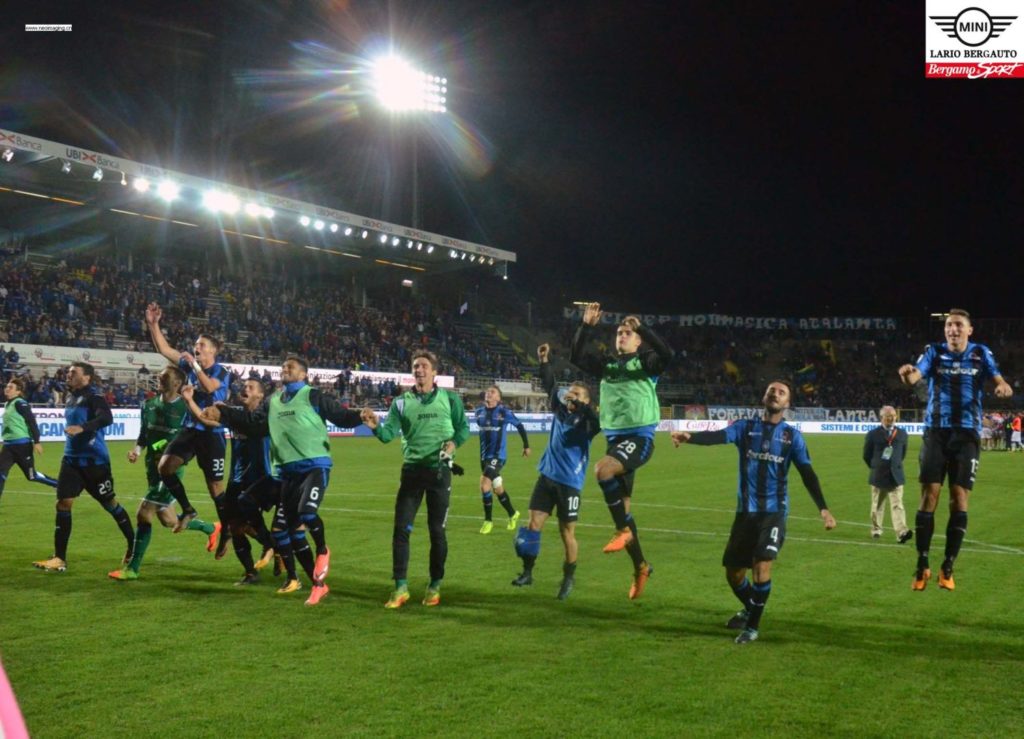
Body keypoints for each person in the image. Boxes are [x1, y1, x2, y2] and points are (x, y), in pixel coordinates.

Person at [672, 380, 836, 644]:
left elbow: (807, 473)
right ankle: (751, 607)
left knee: (761, 565)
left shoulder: (792, 437)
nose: (776, 394)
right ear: (764, 397)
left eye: (782, 393)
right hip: (745, 513)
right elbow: (718, 437)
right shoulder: (745, 427)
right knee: (734, 573)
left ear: (787, 404)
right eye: (772, 390)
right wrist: (690, 437)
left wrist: (824, 509)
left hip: (774, 512)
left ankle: (752, 627)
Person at [205, 356, 365, 606]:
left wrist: (361, 415)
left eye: (291, 367)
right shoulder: (273, 402)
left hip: (315, 466)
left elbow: (341, 417)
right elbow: (255, 426)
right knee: (291, 532)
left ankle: (323, 550)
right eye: (283, 367)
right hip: (287, 473)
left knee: (307, 514)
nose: (285, 369)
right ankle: (317, 584)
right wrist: (224, 412)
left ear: (303, 375)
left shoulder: (313, 396)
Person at [898, 308, 1012, 591]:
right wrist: (907, 375)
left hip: (967, 434)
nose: (953, 330)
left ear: (969, 330)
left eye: (959, 325)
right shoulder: (934, 351)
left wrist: (1004, 388)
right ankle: (922, 563)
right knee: (929, 496)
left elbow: (1000, 381)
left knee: (959, 498)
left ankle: (948, 566)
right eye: (949, 325)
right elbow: (915, 378)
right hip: (936, 431)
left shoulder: (981, 353)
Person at [570, 303, 673, 598]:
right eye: (619, 332)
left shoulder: (646, 364)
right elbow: (577, 356)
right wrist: (586, 325)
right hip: (616, 441)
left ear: (638, 340)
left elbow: (667, 355)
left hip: (640, 438)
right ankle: (641, 566)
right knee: (624, 513)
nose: (622, 335)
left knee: (602, 470)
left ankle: (621, 532)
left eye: (628, 333)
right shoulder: (609, 366)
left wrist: (643, 328)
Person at [362, 350, 470, 609]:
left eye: (423, 366)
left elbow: (463, 428)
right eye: (415, 366)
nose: (419, 370)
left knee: (437, 532)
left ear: (434, 372)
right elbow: (389, 435)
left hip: (439, 471)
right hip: (411, 472)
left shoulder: (450, 399)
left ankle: (435, 584)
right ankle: (400, 587)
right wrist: (376, 425)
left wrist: (454, 443)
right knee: (401, 529)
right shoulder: (400, 403)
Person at [108, 366, 221, 580]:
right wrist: (137, 451)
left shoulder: (186, 408)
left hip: (171, 469)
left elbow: (191, 437)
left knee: (144, 512)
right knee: (168, 519)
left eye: (165, 375)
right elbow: (144, 434)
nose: (160, 377)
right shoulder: (148, 404)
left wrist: (167, 449)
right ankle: (211, 528)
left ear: (177, 383)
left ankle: (133, 568)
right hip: (152, 466)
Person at [511, 344, 600, 599]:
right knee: (533, 525)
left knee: (566, 533)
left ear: (586, 400)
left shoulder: (588, 424)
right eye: (570, 392)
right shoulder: (559, 411)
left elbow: (597, 422)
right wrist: (544, 360)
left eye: (577, 394)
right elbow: (550, 384)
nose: (570, 396)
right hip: (546, 477)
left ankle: (568, 579)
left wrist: (582, 408)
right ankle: (527, 573)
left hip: (570, 483)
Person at [32, 362, 136, 573]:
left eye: (73, 373)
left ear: (87, 377)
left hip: (94, 463)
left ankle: (132, 544)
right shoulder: (70, 397)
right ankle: (59, 558)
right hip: (71, 461)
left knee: (110, 505)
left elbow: (107, 418)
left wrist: (83, 427)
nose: (68, 375)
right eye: (68, 372)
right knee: (63, 504)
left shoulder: (94, 398)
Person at [145, 301, 230, 531]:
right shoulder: (190, 364)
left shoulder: (220, 371)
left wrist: (195, 367)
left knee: (215, 488)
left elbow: (210, 388)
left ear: (213, 350)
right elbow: (165, 350)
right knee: (165, 467)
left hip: (212, 432)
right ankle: (188, 509)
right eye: (195, 345)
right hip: (191, 428)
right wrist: (153, 325)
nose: (197, 348)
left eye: (201, 345)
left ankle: (227, 529)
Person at [185, 378, 277, 585]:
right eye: (244, 386)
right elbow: (206, 419)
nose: (245, 388)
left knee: (247, 525)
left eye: (251, 387)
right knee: (235, 527)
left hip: (259, 478)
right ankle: (251, 571)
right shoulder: (235, 415)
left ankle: (275, 547)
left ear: (261, 395)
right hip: (236, 478)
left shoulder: (264, 417)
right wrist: (189, 400)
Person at [475, 385, 530, 534]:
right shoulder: (478, 413)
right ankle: (513, 514)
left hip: (498, 456)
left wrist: (526, 445)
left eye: (492, 392)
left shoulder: (504, 412)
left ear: (499, 398)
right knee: (498, 488)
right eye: (488, 391)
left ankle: (488, 521)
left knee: (484, 484)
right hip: (484, 458)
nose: (489, 393)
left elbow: (520, 426)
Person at [0, 377, 59, 504]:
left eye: (11, 387)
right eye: (7, 386)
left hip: (22, 446)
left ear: (18, 392)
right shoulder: (7, 404)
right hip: (8, 446)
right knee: (0, 474)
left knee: (32, 476)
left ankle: (58, 484)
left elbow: (31, 422)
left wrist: (36, 441)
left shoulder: (20, 403)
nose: (7, 389)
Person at [862, 405, 912, 543]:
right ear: (881, 417)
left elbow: (902, 454)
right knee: (877, 505)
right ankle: (876, 529)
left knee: (898, 504)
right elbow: (866, 455)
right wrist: (876, 467)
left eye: (893, 416)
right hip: (879, 475)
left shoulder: (902, 434)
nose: (891, 418)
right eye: (888, 416)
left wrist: (894, 466)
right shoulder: (872, 434)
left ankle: (901, 533)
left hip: (895, 475)